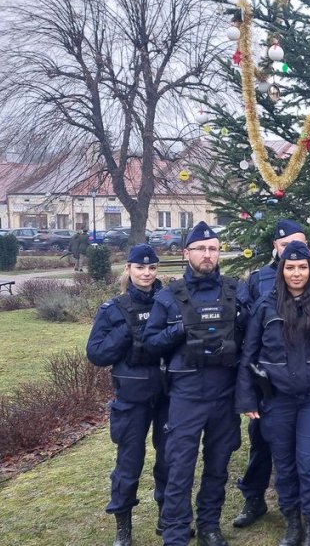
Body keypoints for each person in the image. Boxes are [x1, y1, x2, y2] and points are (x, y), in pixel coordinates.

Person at [142, 221, 250, 546]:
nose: (207, 254)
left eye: (213, 249)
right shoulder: (168, 297)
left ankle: (209, 527)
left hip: (223, 393)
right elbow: (150, 343)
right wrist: (181, 330)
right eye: (201, 249)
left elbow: (250, 340)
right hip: (186, 396)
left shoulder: (235, 291)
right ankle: (176, 532)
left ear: (219, 253)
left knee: (217, 466)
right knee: (180, 468)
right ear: (186, 253)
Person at [236, 241, 310, 546]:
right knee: (284, 465)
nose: (296, 273)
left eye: (302, 267)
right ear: (281, 270)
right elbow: (249, 354)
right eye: (290, 267)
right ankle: (292, 522)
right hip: (278, 399)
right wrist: (247, 399)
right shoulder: (265, 307)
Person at [86, 244, 169, 546]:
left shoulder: (169, 302)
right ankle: (124, 527)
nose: (147, 273)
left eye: (152, 268)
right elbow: (96, 353)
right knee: (129, 463)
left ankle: (166, 515)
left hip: (166, 394)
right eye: (140, 267)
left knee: (169, 458)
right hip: (131, 396)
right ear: (129, 270)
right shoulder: (113, 309)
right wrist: (128, 329)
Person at [233, 218, 309, 529]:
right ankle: (254, 498)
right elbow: (248, 333)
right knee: (261, 441)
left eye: (299, 243)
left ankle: (308, 502)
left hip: (305, 376)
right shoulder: (257, 280)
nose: (292, 249)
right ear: (275, 248)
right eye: (284, 244)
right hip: (269, 380)